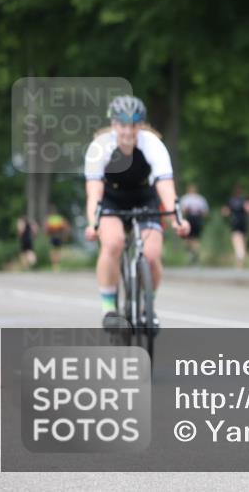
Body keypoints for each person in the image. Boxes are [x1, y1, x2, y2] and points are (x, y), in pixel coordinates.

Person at [84, 95, 190, 329]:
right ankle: (109, 309)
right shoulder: (100, 147)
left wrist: (176, 218)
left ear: (140, 125)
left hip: (144, 197)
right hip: (112, 199)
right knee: (113, 243)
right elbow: (94, 192)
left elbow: (165, 186)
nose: (128, 131)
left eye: (134, 125)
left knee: (151, 255)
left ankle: (147, 307)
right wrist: (93, 223)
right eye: (122, 125)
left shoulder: (152, 144)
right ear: (114, 125)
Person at [222, 185, 249, 268]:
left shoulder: (231, 200)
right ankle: (241, 259)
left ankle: (240, 257)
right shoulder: (245, 200)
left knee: (236, 241)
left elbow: (225, 212)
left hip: (235, 222)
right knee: (243, 241)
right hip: (244, 222)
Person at [180, 184, 209, 264]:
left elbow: (205, 212)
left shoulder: (199, 199)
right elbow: (182, 210)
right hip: (190, 218)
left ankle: (195, 255)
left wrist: (199, 211)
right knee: (188, 238)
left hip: (196, 218)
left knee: (195, 238)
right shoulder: (186, 198)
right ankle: (191, 253)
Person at [45, 206, 71, 271]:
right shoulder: (59, 218)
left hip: (53, 236)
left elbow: (46, 229)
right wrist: (65, 236)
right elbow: (66, 227)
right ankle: (56, 265)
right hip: (58, 236)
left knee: (53, 251)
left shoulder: (50, 218)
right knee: (57, 251)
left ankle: (54, 265)